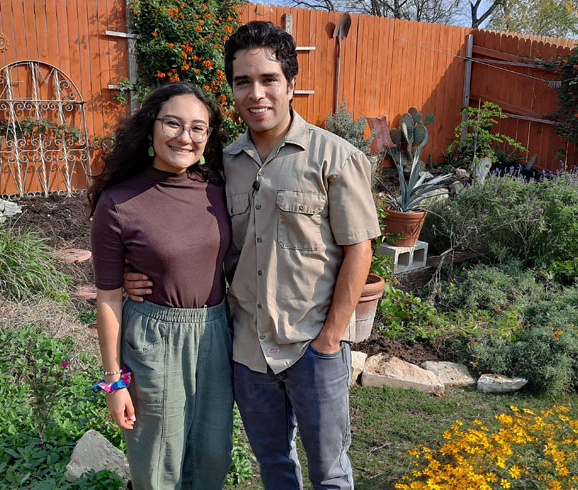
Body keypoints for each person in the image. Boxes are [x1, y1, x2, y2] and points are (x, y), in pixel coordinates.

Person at [125, 21, 379, 489]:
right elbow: (179, 223)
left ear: (291, 84)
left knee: (330, 472)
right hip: (248, 350)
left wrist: (330, 341)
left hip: (312, 346)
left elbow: (359, 251)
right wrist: (133, 269)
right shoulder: (220, 164)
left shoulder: (334, 157)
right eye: (243, 82)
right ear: (232, 89)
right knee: (274, 463)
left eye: (269, 79)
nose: (256, 93)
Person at [89, 82, 233, 490]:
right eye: (173, 123)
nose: (184, 137)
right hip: (154, 338)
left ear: (208, 137)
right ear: (151, 129)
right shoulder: (118, 203)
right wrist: (113, 381)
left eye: (197, 128)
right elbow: (108, 297)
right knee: (156, 461)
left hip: (215, 334)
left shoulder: (219, 190)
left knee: (212, 454)